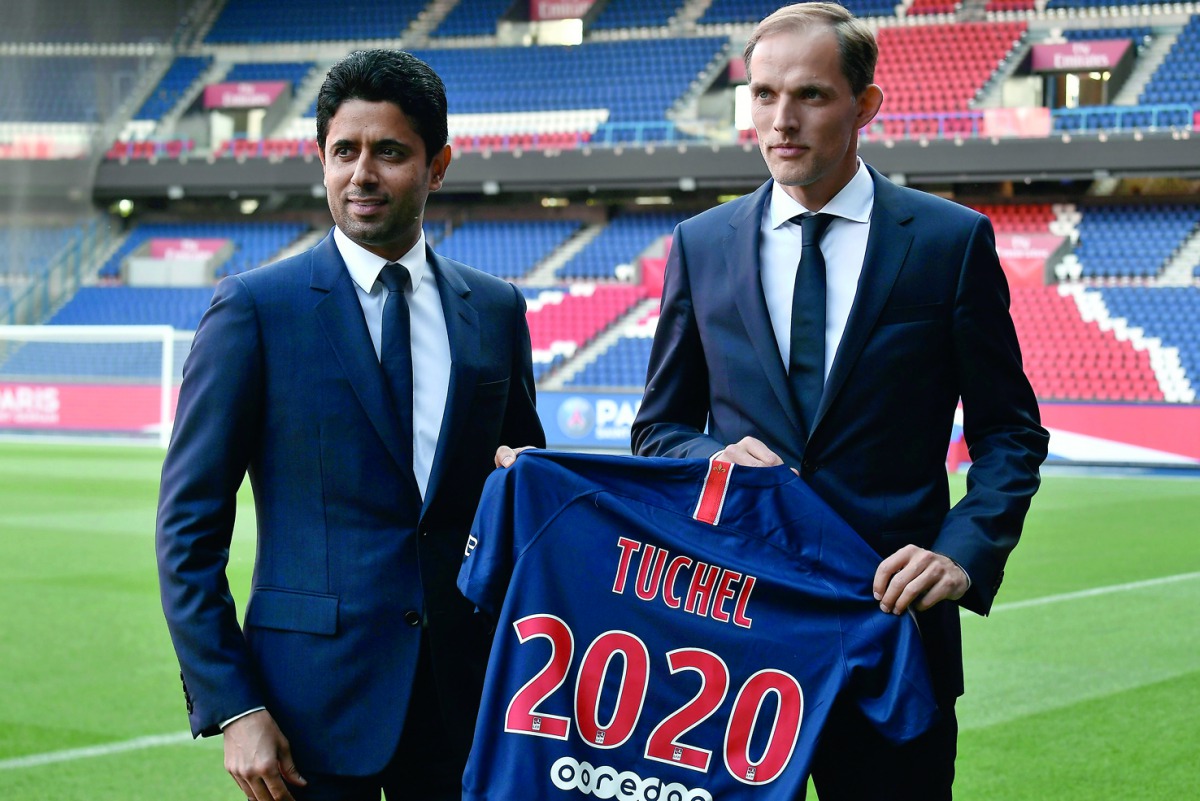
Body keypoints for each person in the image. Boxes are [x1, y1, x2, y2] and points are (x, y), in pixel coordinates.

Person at [630, 4, 1048, 798]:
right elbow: (658, 429)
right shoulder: (702, 243)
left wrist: (962, 549)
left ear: (866, 106)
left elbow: (1009, 434)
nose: (779, 121)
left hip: (892, 635)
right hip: (730, 643)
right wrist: (712, 454)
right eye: (761, 95)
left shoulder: (949, 242)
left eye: (811, 96)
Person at [156, 48, 545, 801]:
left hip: (467, 706)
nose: (362, 174)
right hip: (308, 718)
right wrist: (233, 703)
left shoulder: (495, 310)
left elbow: (521, 492)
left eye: (390, 152)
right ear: (322, 160)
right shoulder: (254, 310)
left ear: (438, 166)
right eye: (344, 151)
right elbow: (188, 529)